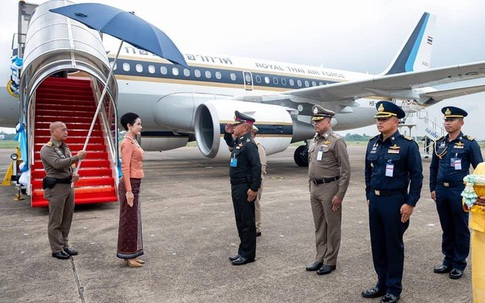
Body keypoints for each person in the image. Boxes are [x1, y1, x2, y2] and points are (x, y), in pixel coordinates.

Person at [362, 101, 423, 303]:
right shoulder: (373, 143)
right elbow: (368, 172)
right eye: (378, 119)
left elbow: (417, 176)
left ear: (396, 121)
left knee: (393, 245)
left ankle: (394, 288)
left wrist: (410, 203)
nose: (379, 122)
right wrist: (369, 195)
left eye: (384, 119)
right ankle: (381, 283)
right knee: (378, 244)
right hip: (376, 201)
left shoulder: (407, 145)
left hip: (396, 201)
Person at [429, 106, 483, 279]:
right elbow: (433, 168)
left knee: (460, 226)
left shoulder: (469, 143)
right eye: (446, 120)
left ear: (461, 122)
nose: (447, 123)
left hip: (460, 190)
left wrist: (476, 194)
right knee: (447, 226)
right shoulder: (439, 143)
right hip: (441, 190)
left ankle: (459, 263)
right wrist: (433, 188)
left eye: (451, 120)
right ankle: (448, 259)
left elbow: (479, 170)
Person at [305, 105, 351, 276]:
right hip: (315, 188)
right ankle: (320, 257)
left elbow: (345, 171)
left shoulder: (336, 141)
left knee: (332, 226)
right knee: (319, 225)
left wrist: (340, 194)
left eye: (319, 121)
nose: (315, 124)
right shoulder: (315, 140)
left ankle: (330, 260)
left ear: (329, 121)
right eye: (314, 121)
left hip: (330, 188)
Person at [40, 121, 87, 259]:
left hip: (68, 186)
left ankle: (64, 245)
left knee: (67, 218)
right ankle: (56, 249)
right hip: (56, 188)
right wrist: (77, 157)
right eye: (63, 130)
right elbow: (57, 164)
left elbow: (68, 166)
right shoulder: (46, 149)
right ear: (53, 132)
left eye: (66, 130)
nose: (67, 132)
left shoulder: (65, 147)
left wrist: (74, 174)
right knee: (56, 220)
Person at [224, 111, 261, 266]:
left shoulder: (249, 144)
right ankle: (242, 251)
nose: (234, 127)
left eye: (237, 124)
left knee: (247, 222)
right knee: (240, 220)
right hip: (236, 185)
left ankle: (248, 255)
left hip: (245, 187)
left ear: (245, 127)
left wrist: (253, 189)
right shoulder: (240, 142)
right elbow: (231, 143)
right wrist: (227, 133)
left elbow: (256, 167)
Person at [117, 112, 146, 268]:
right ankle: (128, 255)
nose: (141, 127)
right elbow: (125, 167)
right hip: (130, 184)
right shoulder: (127, 142)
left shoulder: (133, 141)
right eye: (138, 124)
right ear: (129, 126)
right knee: (128, 221)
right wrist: (129, 191)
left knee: (133, 220)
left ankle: (132, 254)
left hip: (135, 182)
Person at [251, 125, 267, 237]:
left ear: (252, 133)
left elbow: (261, 167)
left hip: (256, 180)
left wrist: (255, 185)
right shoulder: (246, 145)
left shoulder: (258, 147)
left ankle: (257, 227)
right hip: (249, 180)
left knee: (255, 203)